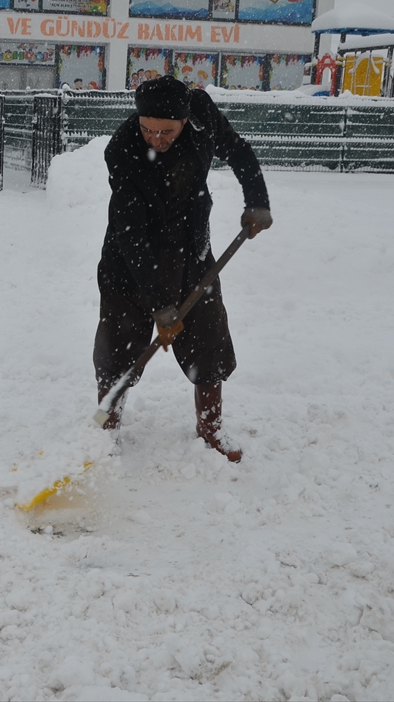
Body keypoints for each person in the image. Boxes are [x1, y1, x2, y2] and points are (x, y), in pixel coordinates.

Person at [94, 76, 272, 461]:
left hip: (192, 251)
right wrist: (160, 305)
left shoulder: (202, 114)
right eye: (147, 129)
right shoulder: (123, 151)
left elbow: (238, 150)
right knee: (118, 350)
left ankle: (210, 427)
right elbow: (131, 237)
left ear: (185, 120)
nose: (155, 139)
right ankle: (105, 432)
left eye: (165, 131)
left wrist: (257, 199)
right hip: (131, 263)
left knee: (208, 340)